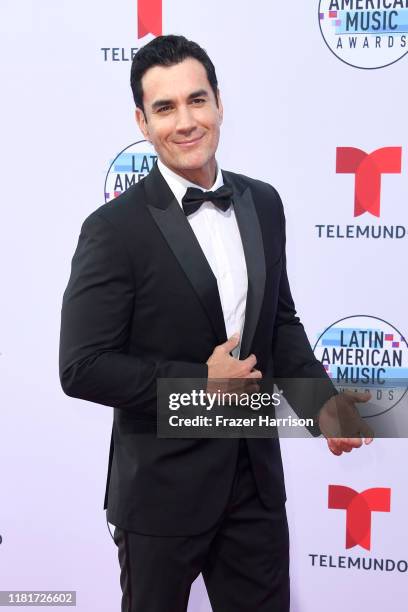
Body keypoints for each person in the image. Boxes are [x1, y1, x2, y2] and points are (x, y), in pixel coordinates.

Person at [59, 35, 372, 612]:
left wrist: (321, 403)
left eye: (196, 100)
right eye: (165, 107)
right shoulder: (113, 228)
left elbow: (279, 322)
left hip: (254, 483)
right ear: (142, 121)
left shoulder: (264, 202)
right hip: (160, 491)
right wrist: (196, 386)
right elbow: (82, 367)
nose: (185, 121)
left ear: (219, 103)